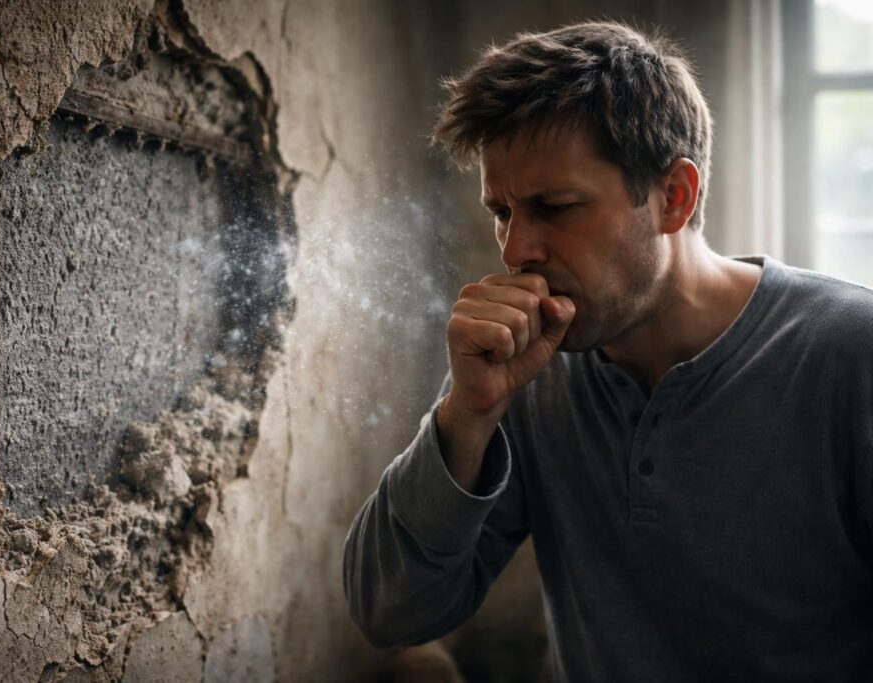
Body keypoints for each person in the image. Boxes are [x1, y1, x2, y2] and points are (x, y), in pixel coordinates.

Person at [343, 20, 873, 681]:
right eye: (502, 211)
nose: (516, 249)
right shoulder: (527, 372)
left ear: (673, 197)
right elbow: (389, 613)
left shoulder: (850, 353)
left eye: (555, 206)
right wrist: (464, 418)